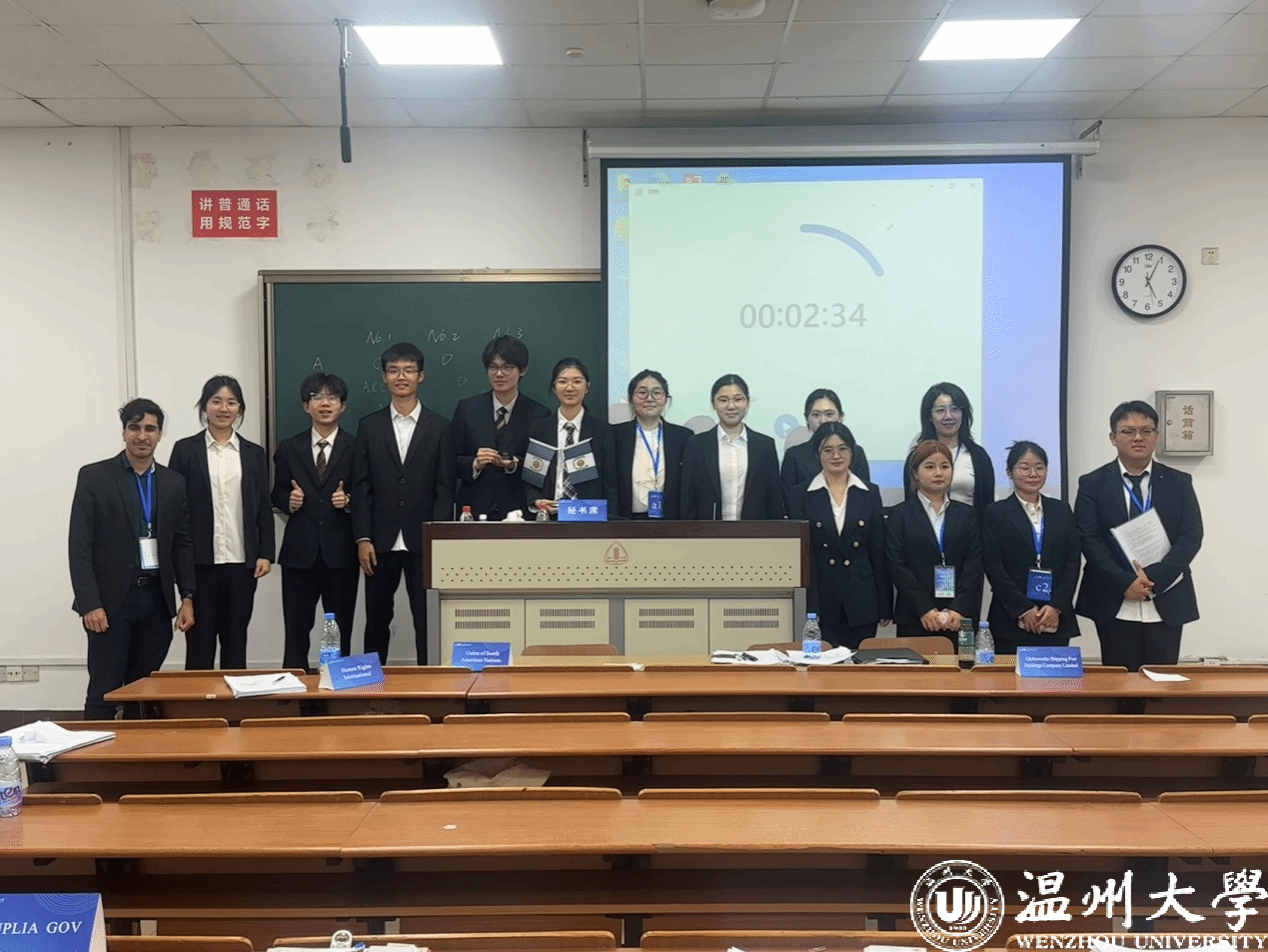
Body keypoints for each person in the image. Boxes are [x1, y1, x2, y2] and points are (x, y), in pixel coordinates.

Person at [68, 398, 196, 719]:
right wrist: (89, 604)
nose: (142, 436)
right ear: (124, 432)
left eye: (150, 429)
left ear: (160, 434)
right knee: (104, 691)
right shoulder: (95, 477)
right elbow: (79, 547)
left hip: (156, 602)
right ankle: (97, 751)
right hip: (110, 604)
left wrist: (188, 597)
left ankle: (137, 750)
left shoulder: (173, 482)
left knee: (143, 693)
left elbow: (182, 544)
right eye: (134, 428)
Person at [1075, 400, 1203, 670]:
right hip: (1114, 597)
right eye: (1128, 431)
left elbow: (1191, 536)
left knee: (1162, 684)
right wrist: (1125, 582)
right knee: (1120, 684)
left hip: (1166, 595)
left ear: (1157, 436)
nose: (1137, 438)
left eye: (1146, 431)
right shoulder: (1092, 483)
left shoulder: (1179, 482)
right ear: (1113, 437)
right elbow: (1089, 538)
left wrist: (1154, 578)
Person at [352, 342, 455, 665]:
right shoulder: (369, 425)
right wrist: (363, 537)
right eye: (394, 370)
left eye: (409, 370)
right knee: (376, 620)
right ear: (384, 377)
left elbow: (444, 488)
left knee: (426, 619)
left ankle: (431, 683)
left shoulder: (441, 427)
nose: (401, 376)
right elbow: (362, 486)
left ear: (420, 376)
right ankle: (370, 684)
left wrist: (436, 539)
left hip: (422, 541)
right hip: (378, 542)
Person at [168, 375, 274, 670]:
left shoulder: (253, 453)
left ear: (240, 408)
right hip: (201, 564)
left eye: (231, 402)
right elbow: (176, 510)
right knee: (199, 646)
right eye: (216, 401)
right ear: (205, 406)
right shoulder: (185, 451)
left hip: (242, 564)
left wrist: (265, 552)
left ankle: (234, 699)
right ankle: (197, 701)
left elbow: (262, 506)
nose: (224, 408)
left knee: (236, 643)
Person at [271, 373, 358, 671]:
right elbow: (277, 492)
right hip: (299, 556)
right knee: (296, 631)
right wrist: (288, 501)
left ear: (343, 406)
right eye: (317, 397)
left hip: (342, 555)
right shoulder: (288, 447)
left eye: (332, 397)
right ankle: (294, 689)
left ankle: (336, 686)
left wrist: (349, 501)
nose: (325, 403)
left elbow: (368, 494)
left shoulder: (356, 447)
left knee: (340, 631)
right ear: (305, 406)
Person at [787, 422, 891, 649]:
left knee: (861, 664)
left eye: (843, 449)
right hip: (824, 599)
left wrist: (885, 604)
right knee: (824, 665)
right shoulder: (801, 494)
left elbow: (878, 551)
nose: (836, 456)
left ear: (853, 452)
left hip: (862, 598)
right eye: (828, 450)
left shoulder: (869, 492)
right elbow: (805, 556)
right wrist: (811, 606)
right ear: (817, 455)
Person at [982, 441, 1080, 656]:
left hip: (1054, 619)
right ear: (1009, 472)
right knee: (1011, 677)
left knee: (1054, 677)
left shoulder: (1062, 510)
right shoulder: (995, 513)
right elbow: (993, 565)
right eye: (1024, 467)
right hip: (1010, 619)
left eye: (1039, 467)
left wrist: (1056, 606)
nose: (1033, 474)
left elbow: (1072, 562)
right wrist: (1023, 609)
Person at [887, 440, 983, 637]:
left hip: (961, 617)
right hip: (916, 615)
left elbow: (974, 564)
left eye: (945, 466)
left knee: (963, 658)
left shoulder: (968, 514)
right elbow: (896, 565)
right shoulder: (899, 515)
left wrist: (958, 609)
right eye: (930, 467)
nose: (938, 473)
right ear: (915, 473)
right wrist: (924, 609)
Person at [451, 335, 551, 521]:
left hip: (520, 512)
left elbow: (542, 470)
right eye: (493, 367)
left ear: (523, 370)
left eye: (507, 367)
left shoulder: (539, 414)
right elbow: (451, 462)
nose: (499, 374)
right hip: (473, 511)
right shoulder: (467, 409)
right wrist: (475, 464)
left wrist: (514, 465)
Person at [680, 374, 786, 520]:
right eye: (723, 400)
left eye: (738, 399)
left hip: (754, 531)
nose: (731, 406)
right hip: (707, 531)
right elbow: (687, 499)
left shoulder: (765, 446)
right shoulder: (696, 445)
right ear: (713, 404)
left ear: (747, 402)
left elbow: (773, 499)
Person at [524, 357, 618, 517]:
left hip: (588, 516)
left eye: (577, 382)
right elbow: (532, 478)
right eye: (562, 382)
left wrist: (611, 522)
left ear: (587, 387)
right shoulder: (540, 429)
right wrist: (537, 500)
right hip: (548, 516)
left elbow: (610, 484)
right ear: (554, 388)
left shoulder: (602, 431)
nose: (569, 388)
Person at [612, 370, 692, 519]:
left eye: (657, 393)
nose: (649, 399)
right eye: (642, 393)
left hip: (671, 522)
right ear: (631, 399)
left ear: (666, 399)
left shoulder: (683, 437)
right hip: (626, 521)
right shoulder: (615, 436)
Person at [909, 382, 995, 511]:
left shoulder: (979, 456)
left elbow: (987, 505)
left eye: (955, 409)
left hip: (970, 523)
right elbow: (909, 503)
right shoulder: (918, 455)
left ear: (963, 414)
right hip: (926, 523)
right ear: (929, 416)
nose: (948, 416)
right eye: (940, 410)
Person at [780, 388, 872, 487]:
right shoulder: (794, 455)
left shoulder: (856, 452)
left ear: (841, 417)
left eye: (829, 414)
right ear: (806, 418)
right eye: (816, 415)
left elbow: (864, 491)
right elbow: (788, 494)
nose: (823, 421)